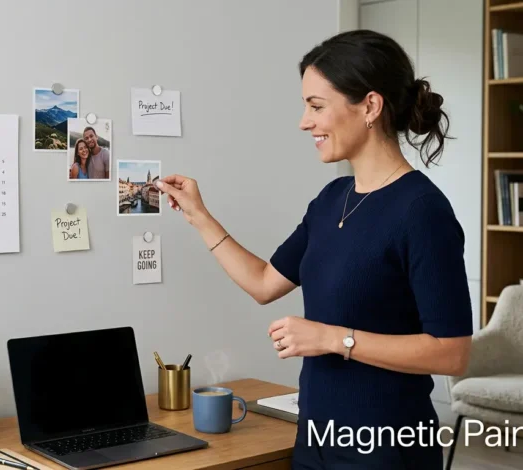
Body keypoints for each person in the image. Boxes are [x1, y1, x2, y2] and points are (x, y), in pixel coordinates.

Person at [156, 29, 473, 469]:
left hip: (386, 449)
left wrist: (332, 338)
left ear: (370, 106)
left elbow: (452, 352)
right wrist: (198, 215)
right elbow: (264, 282)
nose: (304, 121)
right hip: (316, 440)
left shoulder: (422, 211)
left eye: (316, 106)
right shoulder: (332, 199)